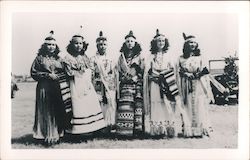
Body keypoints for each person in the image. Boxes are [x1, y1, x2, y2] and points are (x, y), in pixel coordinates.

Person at [63, 28, 106, 135]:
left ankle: (89, 129)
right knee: (78, 105)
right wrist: (78, 72)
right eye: (76, 43)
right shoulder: (68, 58)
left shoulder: (85, 57)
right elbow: (69, 72)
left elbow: (90, 69)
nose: (78, 45)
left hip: (86, 83)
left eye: (81, 43)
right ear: (72, 44)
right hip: (75, 85)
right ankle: (78, 130)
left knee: (89, 105)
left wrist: (87, 74)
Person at [30, 31, 66, 145]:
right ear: (45, 46)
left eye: (53, 45)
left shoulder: (59, 59)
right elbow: (33, 73)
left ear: (56, 46)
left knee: (56, 110)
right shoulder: (39, 59)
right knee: (45, 110)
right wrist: (47, 75)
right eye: (49, 45)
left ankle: (56, 134)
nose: (51, 47)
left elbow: (65, 72)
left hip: (57, 87)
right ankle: (43, 135)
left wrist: (57, 76)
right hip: (44, 87)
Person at [143, 29, 179, 138]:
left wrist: (166, 76)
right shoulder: (150, 56)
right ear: (155, 43)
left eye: (163, 41)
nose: (161, 43)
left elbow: (173, 70)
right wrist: (153, 77)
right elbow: (147, 72)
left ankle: (169, 129)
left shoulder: (169, 56)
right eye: (159, 41)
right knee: (156, 104)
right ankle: (158, 130)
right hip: (155, 84)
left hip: (167, 83)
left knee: (167, 104)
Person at [177, 33, 214, 138]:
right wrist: (185, 74)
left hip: (198, 85)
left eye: (194, 42)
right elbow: (178, 71)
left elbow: (206, 71)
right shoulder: (181, 58)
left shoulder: (201, 57)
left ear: (197, 44)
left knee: (200, 105)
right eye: (190, 43)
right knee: (187, 104)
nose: (192, 44)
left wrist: (198, 75)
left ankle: (200, 130)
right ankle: (189, 130)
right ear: (186, 45)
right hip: (186, 84)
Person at [116, 30, 144, 137]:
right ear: (125, 43)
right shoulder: (121, 57)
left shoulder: (139, 57)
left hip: (136, 85)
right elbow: (118, 70)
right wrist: (123, 77)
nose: (130, 43)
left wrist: (135, 76)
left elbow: (142, 70)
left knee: (137, 107)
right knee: (126, 106)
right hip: (125, 85)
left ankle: (137, 131)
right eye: (128, 41)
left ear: (135, 43)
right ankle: (125, 131)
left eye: (132, 41)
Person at [90, 31, 116, 132]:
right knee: (99, 103)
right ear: (97, 45)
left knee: (109, 103)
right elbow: (91, 73)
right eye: (100, 44)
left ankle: (109, 125)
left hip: (109, 83)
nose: (102, 46)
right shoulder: (93, 59)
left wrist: (110, 80)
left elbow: (114, 71)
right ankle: (99, 127)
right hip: (98, 83)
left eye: (104, 44)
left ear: (107, 45)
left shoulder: (110, 58)